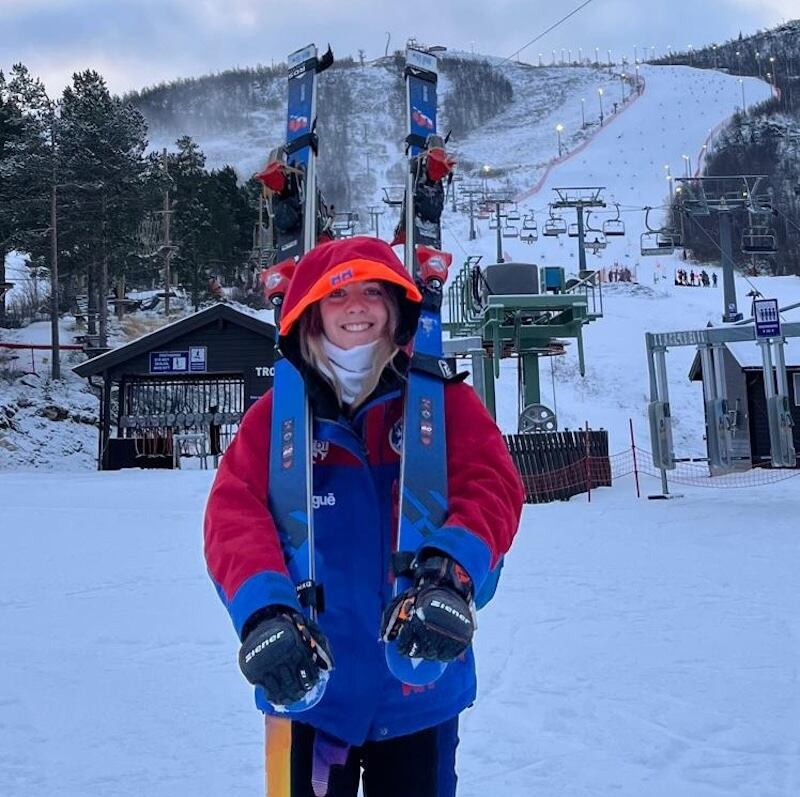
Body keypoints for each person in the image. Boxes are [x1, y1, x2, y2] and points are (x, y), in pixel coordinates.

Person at [204, 236, 524, 797]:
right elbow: (233, 517)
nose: (357, 306)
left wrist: (451, 573)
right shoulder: (274, 422)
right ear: (310, 312)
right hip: (309, 688)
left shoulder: (442, 405)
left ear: (395, 307)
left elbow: (493, 487)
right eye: (338, 294)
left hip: (417, 687)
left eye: (373, 291)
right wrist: (264, 615)